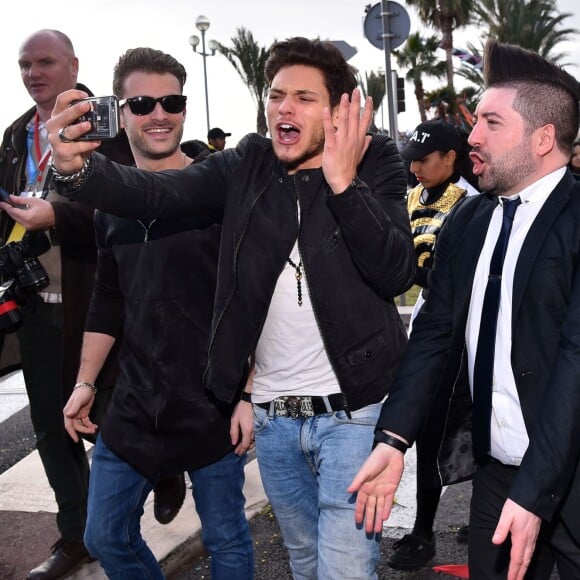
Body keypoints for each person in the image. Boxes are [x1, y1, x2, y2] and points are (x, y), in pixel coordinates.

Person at [46, 36, 416, 580]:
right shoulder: (248, 161)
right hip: (274, 418)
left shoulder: (374, 158)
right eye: (276, 94)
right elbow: (160, 196)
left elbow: (395, 272)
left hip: (352, 413)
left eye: (304, 98)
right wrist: (77, 170)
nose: (284, 108)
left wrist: (341, 182)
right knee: (306, 561)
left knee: (345, 569)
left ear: (338, 109)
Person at [350, 39, 580, 580]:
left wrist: (536, 491)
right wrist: (393, 437)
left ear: (543, 138)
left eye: (490, 123)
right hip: (497, 474)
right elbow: (431, 334)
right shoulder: (470, 222)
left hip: (571, 479)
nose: (472, 136)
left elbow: (576, 360)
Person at [59, 47, 254, 579]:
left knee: (227, 539)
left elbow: (254, 296)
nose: (159, 114)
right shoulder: (111, 202)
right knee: (104, 535)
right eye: (142, 103)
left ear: (186, 108)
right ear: (120, 114)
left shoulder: (220, 191)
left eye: (172, 101)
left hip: (212, 400)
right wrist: (85, 383)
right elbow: (109, 299)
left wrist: (248, 392)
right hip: (137, 400)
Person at [0, 29, 133, 579]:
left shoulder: (110, 124)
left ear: (74, 64)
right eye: (25, 64)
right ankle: (77, 536)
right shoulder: (14, 135)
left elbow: (131, 201)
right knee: (53, 428)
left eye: (46, 62)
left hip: (100, 301)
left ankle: (142, 498)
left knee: (114, 418)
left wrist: (60, 216)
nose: (34, 73)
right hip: (35, 304)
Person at [386, 119, 480, 571]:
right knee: (427, 431)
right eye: (411, 161)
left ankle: (485, 516)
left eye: (423, 160)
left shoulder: (475, 203)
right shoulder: (409, 196)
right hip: (430, 330)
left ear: (450, 158)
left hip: (470, 337)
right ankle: (423, 533)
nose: (415, 168)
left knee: (480, 427)